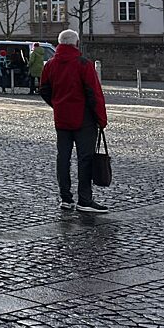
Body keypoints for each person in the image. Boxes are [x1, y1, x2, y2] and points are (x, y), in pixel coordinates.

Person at [39, 29, 108, 214]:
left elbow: (44, 89)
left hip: (61, 117)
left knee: (63, 158)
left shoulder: (50, 64)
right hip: (83, 118)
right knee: (85, 158)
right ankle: (84, 199)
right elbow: (94, 94)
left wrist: (56, 104)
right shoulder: (83, 64)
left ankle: (65, 198)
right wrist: (101, 119)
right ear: (76, 43)